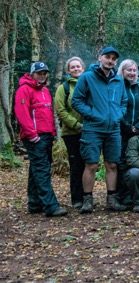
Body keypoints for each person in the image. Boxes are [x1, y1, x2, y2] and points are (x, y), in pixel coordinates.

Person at [71, 46, 128, 213]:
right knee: (91, 164)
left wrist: (119, 115)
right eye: (107, 57)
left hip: (113, 129)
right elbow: (77, 101)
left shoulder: (118, 80)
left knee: (112, 164)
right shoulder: (87, 77)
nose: (110, 61)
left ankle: (111, 199)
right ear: (100, 57)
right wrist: (93, 115)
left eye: (113, 58)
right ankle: (87, 200)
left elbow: (124, 101)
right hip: (93, 128)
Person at [15, 62, 67, 217]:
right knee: (42, 169)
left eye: (44, 73)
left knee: (36, 169)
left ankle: (35, 203)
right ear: (32, 74)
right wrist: (32, 134)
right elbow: (22, 113)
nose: (42, 75)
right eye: (39, 73)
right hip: (34, 136)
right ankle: (50, 206)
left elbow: (49, 114)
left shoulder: (44, 90)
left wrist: (52, 132)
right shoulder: (24, 89)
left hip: (46, 135)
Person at [117, 59, 139, 202]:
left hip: (137, 131)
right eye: (128, 70)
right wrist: (126, 126)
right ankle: (121, 194)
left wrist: (137, 126)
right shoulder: (118, 86)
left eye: (133, 70)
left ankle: (135, 193)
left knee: (135, 161)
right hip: (120, 130)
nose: (132, 73)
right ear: (122, 71)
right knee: (120, 162)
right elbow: (115, 108)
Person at [54, 56, 85, 210]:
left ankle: (88, 196)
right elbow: (60, 110)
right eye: (72, 67)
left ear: (83, 68)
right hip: (71, 133)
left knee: (89, 164)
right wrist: (77, 125)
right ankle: (77, 198)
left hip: (89, 131)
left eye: (78, 66)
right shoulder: (63, 88)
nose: (75, 69)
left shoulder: (88, 85)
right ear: (68, 70)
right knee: (76, 165)